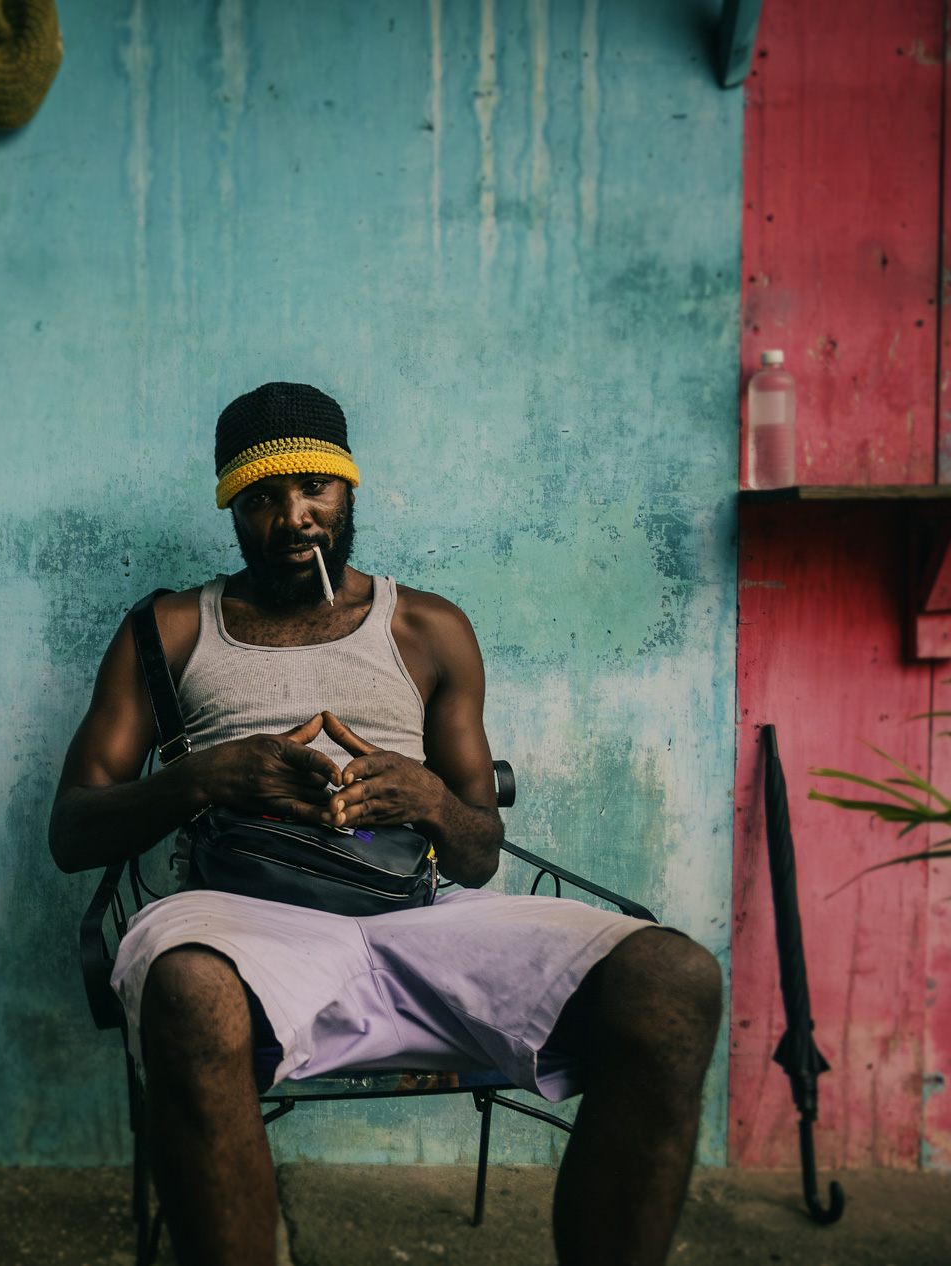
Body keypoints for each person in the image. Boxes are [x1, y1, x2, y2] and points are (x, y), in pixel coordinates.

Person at [50, 383, 722, 1266]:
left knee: (673, 975)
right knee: (187, 994)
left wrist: (432, 802)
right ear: (232, 511)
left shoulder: (428, 629)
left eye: (314, 490)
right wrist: (207, 776)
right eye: (260, 498)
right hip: (241, 928)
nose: (293, 518)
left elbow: (478, 856)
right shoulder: (171, 630)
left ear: (349, 491)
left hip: (418, 922)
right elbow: (72, 832)